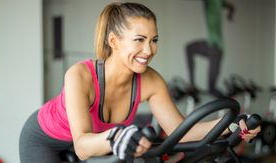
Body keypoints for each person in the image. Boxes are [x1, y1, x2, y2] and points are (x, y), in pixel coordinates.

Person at [19, 2, 260, 163]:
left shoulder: (150, 81)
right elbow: (82, 146)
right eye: (139, 40)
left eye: (154, 40)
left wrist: (233, 125)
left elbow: (182, 133)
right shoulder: (79, 75)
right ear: (113, 41)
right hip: (43, 141)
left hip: (93, 143)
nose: (149, 50)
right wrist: (117, 136)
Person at [186, 0, 234, 98]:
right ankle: (192, 85)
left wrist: (230, 14)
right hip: (215, 48)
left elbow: (230, 7)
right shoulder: (220, 2)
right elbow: (231, 6)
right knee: (189, 48)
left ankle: (231, 104)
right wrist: (230, 14)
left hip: (214, 48)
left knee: (211, 89)